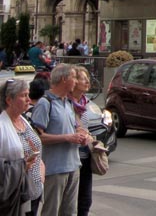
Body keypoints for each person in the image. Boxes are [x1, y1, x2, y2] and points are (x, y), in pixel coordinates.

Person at [33, 63, 90, 216]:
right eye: (73, 77)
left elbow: (76, 127)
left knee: (70, 212)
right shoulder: (45, 103)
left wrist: (81, 134)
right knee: (51, 211)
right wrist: (67, 137)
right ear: (64, 79)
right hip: (55, 168)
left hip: (73, 165)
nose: (76, 82)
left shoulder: (68, 103)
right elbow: (38, 137)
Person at [2, 78, 44, 216]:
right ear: (9, 100)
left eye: (28, 94)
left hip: (34, 192)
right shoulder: (2, 126)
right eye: (23, 95)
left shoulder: (24, 119)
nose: (28, 99)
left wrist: (41, 175)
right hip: (15, 196)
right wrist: (21, 167)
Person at [71, 67, 96, 216]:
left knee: (85, 198)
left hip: (85, 153)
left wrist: (90, 137)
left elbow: (86, 127)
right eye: (82, 78)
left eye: (87, 77)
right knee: (69, 199)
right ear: (73, 82)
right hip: (71, 154)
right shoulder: (66, 103)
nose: (87, 81)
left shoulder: (85, 102)